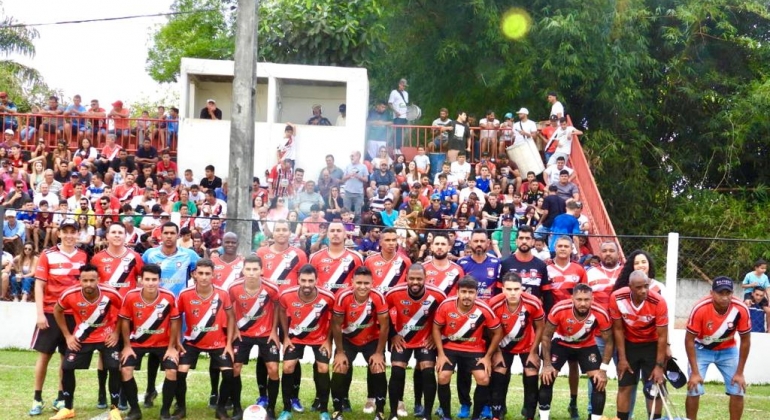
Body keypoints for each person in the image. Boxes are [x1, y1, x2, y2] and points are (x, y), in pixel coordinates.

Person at [29, 219, 87, 417]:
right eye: (66, 231)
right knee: (44, 356)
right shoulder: (47, 255)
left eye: (73, 231)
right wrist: (39, 314)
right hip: (50, 313)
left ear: (78, 234)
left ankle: (61, 397)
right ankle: (37, 398)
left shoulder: (83, 255)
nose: (70, 235)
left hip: (73, 316)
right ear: (59, 233)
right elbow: (39, 285)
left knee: (66, 359)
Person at [51, 264, 123, 420]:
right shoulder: (70, 294)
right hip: (82, 338)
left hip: (107, 337)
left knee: (114, 367)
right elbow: (57, 310)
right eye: (85, 280)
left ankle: (114, 409)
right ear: (79, 280)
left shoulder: (111, 293)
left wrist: (116, 333)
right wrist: (68, 336)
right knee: (67, 367)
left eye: (92, 280)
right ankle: (68, 408)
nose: (89, 284)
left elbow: (125, 312)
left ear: (98, 279)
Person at [539, 283, 614, 420]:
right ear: (572, 298)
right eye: (579, 299)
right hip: (562, 343)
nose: (583, 303)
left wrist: (603, 370)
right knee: (547, 377)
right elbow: (546, 336)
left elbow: (609, 342)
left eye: (586, 299)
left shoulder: (600, 312)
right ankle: (544, 417)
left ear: (592, 299)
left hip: (586, 345)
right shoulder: (559, 308)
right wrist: (547, 364)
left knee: (599, 382)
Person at [433, 276, 502, 420]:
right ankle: (446, 415)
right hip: (450, 347)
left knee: (483, 379)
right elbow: (436, 328)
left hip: (474, 349)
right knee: (443, 376)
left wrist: (488, 356)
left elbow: (498, 332)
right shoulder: (446, 305)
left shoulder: (484, 309)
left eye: (471, 292)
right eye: (463, 291)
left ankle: (476, 416)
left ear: (476, 293)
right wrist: (440, 354)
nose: (467, 295)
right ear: (457, 292)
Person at [118, 264, 181, 420]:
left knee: (172, 371)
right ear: (140, 280)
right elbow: (124, 321)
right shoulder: (131, 296)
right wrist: (126, 346)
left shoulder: (169, 297)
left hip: (163, 344)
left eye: (154, 279)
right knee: (125, 369)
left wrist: (172, 347)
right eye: (147, 279)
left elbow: (174, 322)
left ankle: (165, 411)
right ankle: (135, 410)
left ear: (160, 280)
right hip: (137, 343)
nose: (151, 283)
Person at [385, 263, 446, 420]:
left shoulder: (437, 295)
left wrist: (435, 335)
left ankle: (427, 415)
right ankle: (393, 414)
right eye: (412, 278)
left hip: (425, 340)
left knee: (427, 372)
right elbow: (382, 313)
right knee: (397, 371)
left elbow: (446, 313)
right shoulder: (394, 292)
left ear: (426, 278)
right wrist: (393, 334)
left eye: (419, 279)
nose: (415, 282)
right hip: (402, 339)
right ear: (406, 278)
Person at [686, 276, 752, 420]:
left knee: (738, 388)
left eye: (727, 293)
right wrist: (695, 373)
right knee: (694, 388)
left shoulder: (740, 309)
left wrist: (740, 373)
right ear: (711, 293)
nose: (724, 297)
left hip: (728, 350)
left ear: (732, 294)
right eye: (720, 293)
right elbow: (689, 340)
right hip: (701, 349)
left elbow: (746, 340)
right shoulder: (700, 308)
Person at [329, 266, 390, 420]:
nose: (363, 287)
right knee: (340, 366)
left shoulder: (378, 297)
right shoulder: (343, 296)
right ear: (352, 282)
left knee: (378, 367)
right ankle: (337, 410)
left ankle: (380, 411)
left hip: (371, 340)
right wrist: (340, 352)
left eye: (366, 283)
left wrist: (378, 353)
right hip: (348, 340)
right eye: (359, 283)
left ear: (372, 283)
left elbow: (384, 326)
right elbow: (336, 325)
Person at [279, 264, 337, 420]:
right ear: (298, 279)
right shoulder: (286, 295)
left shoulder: (328, 297)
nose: (306, 284)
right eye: (303, 280)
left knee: (323, 368)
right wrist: (285, 337)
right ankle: (286, 409)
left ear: (316, 280)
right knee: (288, 367)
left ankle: (323, 409)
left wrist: (328, 340)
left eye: (310, 281)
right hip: (295, 337)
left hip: (320, 338)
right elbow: (282, 313)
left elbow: (335, 319)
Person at [609, 270, 669, 420]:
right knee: (624, 386)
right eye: (638, 287)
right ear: (630, 286)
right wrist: (622, 359)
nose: (643, 290)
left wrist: (659, 366)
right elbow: (618, 329)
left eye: (646, 286)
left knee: (654, 387)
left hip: (652, 345)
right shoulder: (617, 298)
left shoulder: (658, 301)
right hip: (629, 345)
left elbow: (662, 336)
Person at [227, 255, 281, 420]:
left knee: (273, 369)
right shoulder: (234, 287)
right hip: (243, 334)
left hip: (266, 334)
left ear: (262, 270)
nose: (251, 273)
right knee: (235, 369)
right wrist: (235, 328)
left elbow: (278, 306)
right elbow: (229, 310)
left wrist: (274, 331)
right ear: (243, 270)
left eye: (255, 269)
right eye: (248, 269)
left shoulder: (272, 287)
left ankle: (270, 409)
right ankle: (237, 408)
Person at [488, 272, 545, 420]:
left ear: (522, 289)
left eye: (516, 289)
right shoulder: (494, 303)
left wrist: (533, 352)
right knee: (499, 374)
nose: (513, 293)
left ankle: (529, 414)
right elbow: (489, 330)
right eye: (509, 289)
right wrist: (497, 351)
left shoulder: (533, 302)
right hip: (504, 345)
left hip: (528, 345)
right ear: (503, 289)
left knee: (531, 374)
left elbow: (540, 327)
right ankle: (497, 414)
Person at [499, 225, 552, 306]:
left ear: (533, 242)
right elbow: (498, 292)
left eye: (527, 238)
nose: (524, 241)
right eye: (521, 238)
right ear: (516, 241)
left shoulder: (541, 265)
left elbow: (547, 295)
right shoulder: (505, 264)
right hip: (510, 314)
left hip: (533, 314)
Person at [365, 228, 412, 294]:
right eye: (387, 240)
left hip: (397, 301)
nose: (391, 243)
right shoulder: (369, 261)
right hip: (376, 301)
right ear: (380, 242)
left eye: (394, 240)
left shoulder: (406, 261)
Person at [341, 151, 369, 219]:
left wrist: (358, 176)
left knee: (357, 214)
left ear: (358, 157)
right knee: (346, 212)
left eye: (353, 156)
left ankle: (356, 227)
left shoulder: (363, 167)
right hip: (348, 192)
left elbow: (366, 180)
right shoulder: (348, 166)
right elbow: (343, 179)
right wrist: (349, 175)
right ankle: (346, 227)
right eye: (351, 156)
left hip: (358, 193)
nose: (351, 157)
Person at [388, 78, 410, 153]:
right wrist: (396, 111)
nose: (404, 87)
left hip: (404, 116)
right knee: (397, 132)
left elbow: (405, 104)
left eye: (405, 86)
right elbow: (390, 103)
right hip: (397, 116)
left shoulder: (406, 94)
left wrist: (407, 111)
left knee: (402, 133)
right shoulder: (394, 92)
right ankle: (395, 148)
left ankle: (399, 148)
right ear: (399, 84)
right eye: (403, 85)